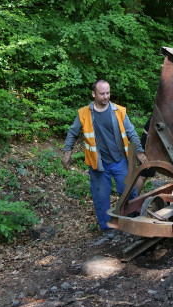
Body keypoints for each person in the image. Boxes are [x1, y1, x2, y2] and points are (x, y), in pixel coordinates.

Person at [62, 79, 147, 233]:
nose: (106, 96)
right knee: (101, 198)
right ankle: (108, 230)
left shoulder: (118, 111)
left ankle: (134, 222)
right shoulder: (84, 114)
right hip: (98, 164)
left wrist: (140, 152)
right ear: (94, 94)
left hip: (119, 161)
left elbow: (131, 132)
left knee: (129, 192)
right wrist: (67, 152)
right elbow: (72, 132)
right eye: (102, 94)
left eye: (108, 93)